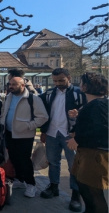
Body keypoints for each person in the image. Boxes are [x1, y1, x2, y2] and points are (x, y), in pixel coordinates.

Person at [39, 68, 86, 212]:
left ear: (69, 77)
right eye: (55, 81)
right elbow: (42, 110)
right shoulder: (48, 94)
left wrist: (79, 115)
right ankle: (54, 187)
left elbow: (88, 110)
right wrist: (43, 130)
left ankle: (76, 195)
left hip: (70, 135)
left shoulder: (79, 93)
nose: (58, 83)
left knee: (74, 166)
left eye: (61, 80)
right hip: (52, 133)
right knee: (53, 162)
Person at [0, 77, 48, 198]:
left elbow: (43, 117)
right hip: (9, 133)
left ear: (22, 85)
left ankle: (31, 184)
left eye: (14, 84)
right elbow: (4, 113)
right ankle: (20, 180)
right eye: (10, 84)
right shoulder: (9, 97)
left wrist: (29, 126)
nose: (11, 86)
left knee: (24, 160)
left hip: (24, 135)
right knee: (13, 158)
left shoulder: (33, 99)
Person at [68, 72, 108, 213]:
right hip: (89, 153)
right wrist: (79, 115)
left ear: (85, 87)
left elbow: (103, 129)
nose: (79, 85)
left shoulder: (98, 104)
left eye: (81, 83)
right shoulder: (94, 104)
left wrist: (76, 139)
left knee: (93, 194)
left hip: (95, 155)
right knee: (87, 191)